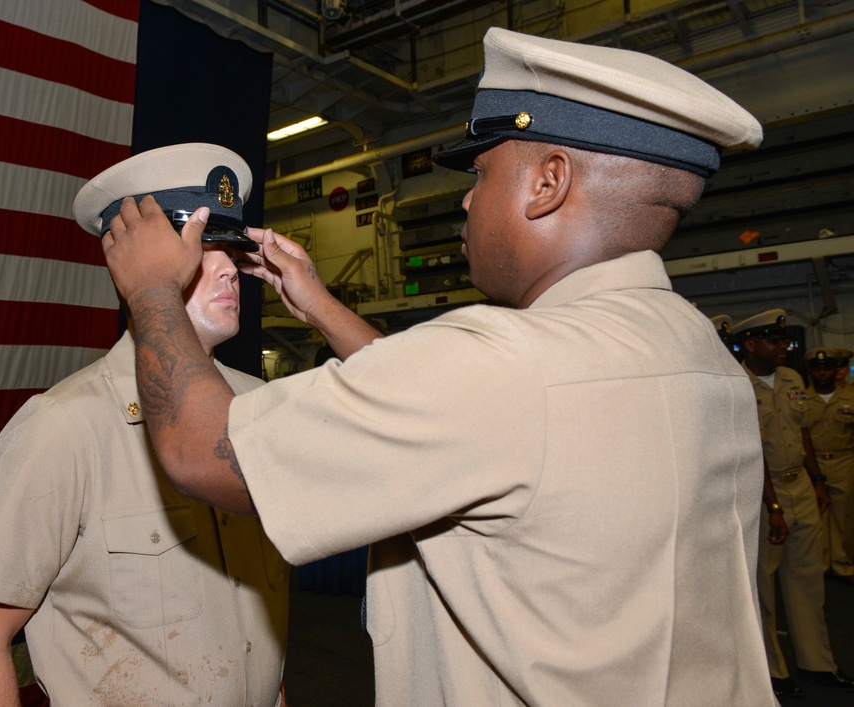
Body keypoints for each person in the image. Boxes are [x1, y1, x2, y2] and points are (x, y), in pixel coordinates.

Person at [102, 28, 777, 705]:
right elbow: (463, 420)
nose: (464, 198)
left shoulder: (506, 363)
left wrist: (155, 289)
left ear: (548, 182)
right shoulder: (700, 355)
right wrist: (324, 309)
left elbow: (200, 449)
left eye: (481, 173)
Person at [0, 144, 290, 706]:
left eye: (231, 247)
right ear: (140, 267)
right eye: (203, 247)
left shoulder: (259, 408)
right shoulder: (64, 428)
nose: (230, 266)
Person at [736, 311, 854, 698]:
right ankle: (773, 672)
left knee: (808, 583)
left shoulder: (791, 379)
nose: (782, 347)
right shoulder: (736, 385)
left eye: (783, 340)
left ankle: (817, 662)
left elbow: (802, 432)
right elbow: (751, 453)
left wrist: (817, 480)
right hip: (763, 494)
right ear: (751, 344)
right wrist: (772, 508)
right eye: (773, 341)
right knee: (764, 591)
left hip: (800, 486)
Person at [803, 347, 854, 585]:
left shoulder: (850, 398)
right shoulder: (801, 399)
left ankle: (843, 564)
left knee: (845, 517)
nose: (822, 374)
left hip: (844, 461)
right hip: (813, 462)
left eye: (826, 369)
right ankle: (821, 565)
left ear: (836, 371)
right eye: (817, 369)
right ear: (810, 372)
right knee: (816, 516)